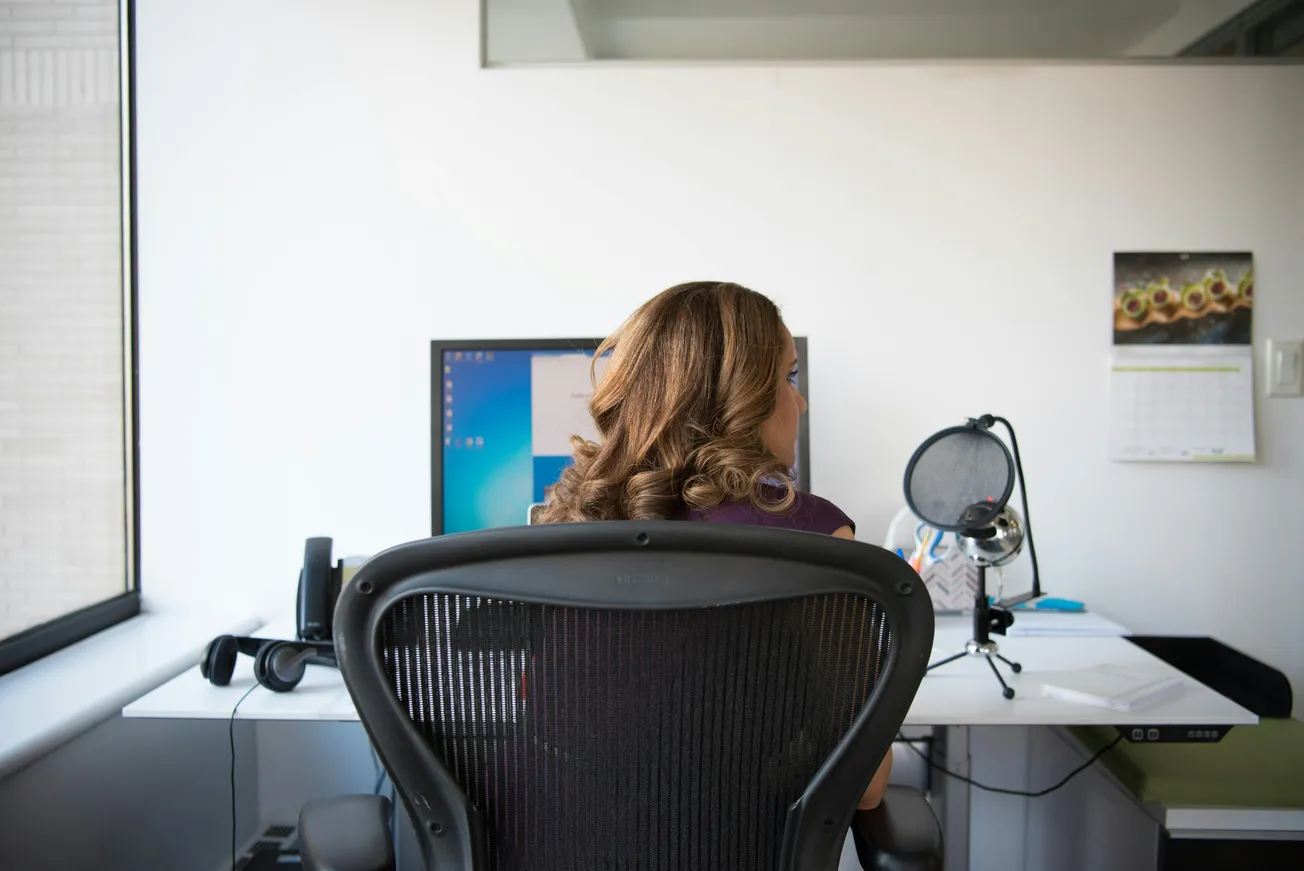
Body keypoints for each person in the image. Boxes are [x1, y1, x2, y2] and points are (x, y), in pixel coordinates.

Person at [539, 280, 892, 811]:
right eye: (788, 377)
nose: (800, 401)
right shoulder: (814, 539)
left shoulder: (565, 527)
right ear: (741, 396)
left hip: (564, 843)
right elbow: (864, 789)